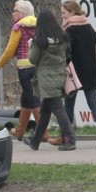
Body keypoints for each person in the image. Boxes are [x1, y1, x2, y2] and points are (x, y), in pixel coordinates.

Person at [51, 0, 96, 147]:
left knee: (68, 105)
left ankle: (66, 137)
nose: (62, 16)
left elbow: (65, 52)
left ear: (72, 12)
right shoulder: (88, 26)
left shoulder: (69, 30)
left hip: (73, 74)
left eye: (64, 13)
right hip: (91, 71)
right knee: (93, 103)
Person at [23, 9, 75, 151]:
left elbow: (32, 59)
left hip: (46, 79)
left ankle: (70, 139)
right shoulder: (62, 38)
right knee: (45, 111)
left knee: (58, 110)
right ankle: (35, 140)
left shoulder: (40, 41)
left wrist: (30, 47)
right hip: (59, 76)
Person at [0, 0, 43, 142]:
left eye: (15, 10)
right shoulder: (39, 26)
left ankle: (42, 133)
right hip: (36, 66)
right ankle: (20, 132)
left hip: (24, 68)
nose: (12, 13)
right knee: (26, 98)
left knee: (33, 99)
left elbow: (10, 50)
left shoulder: (18, 27)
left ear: (22, 13)